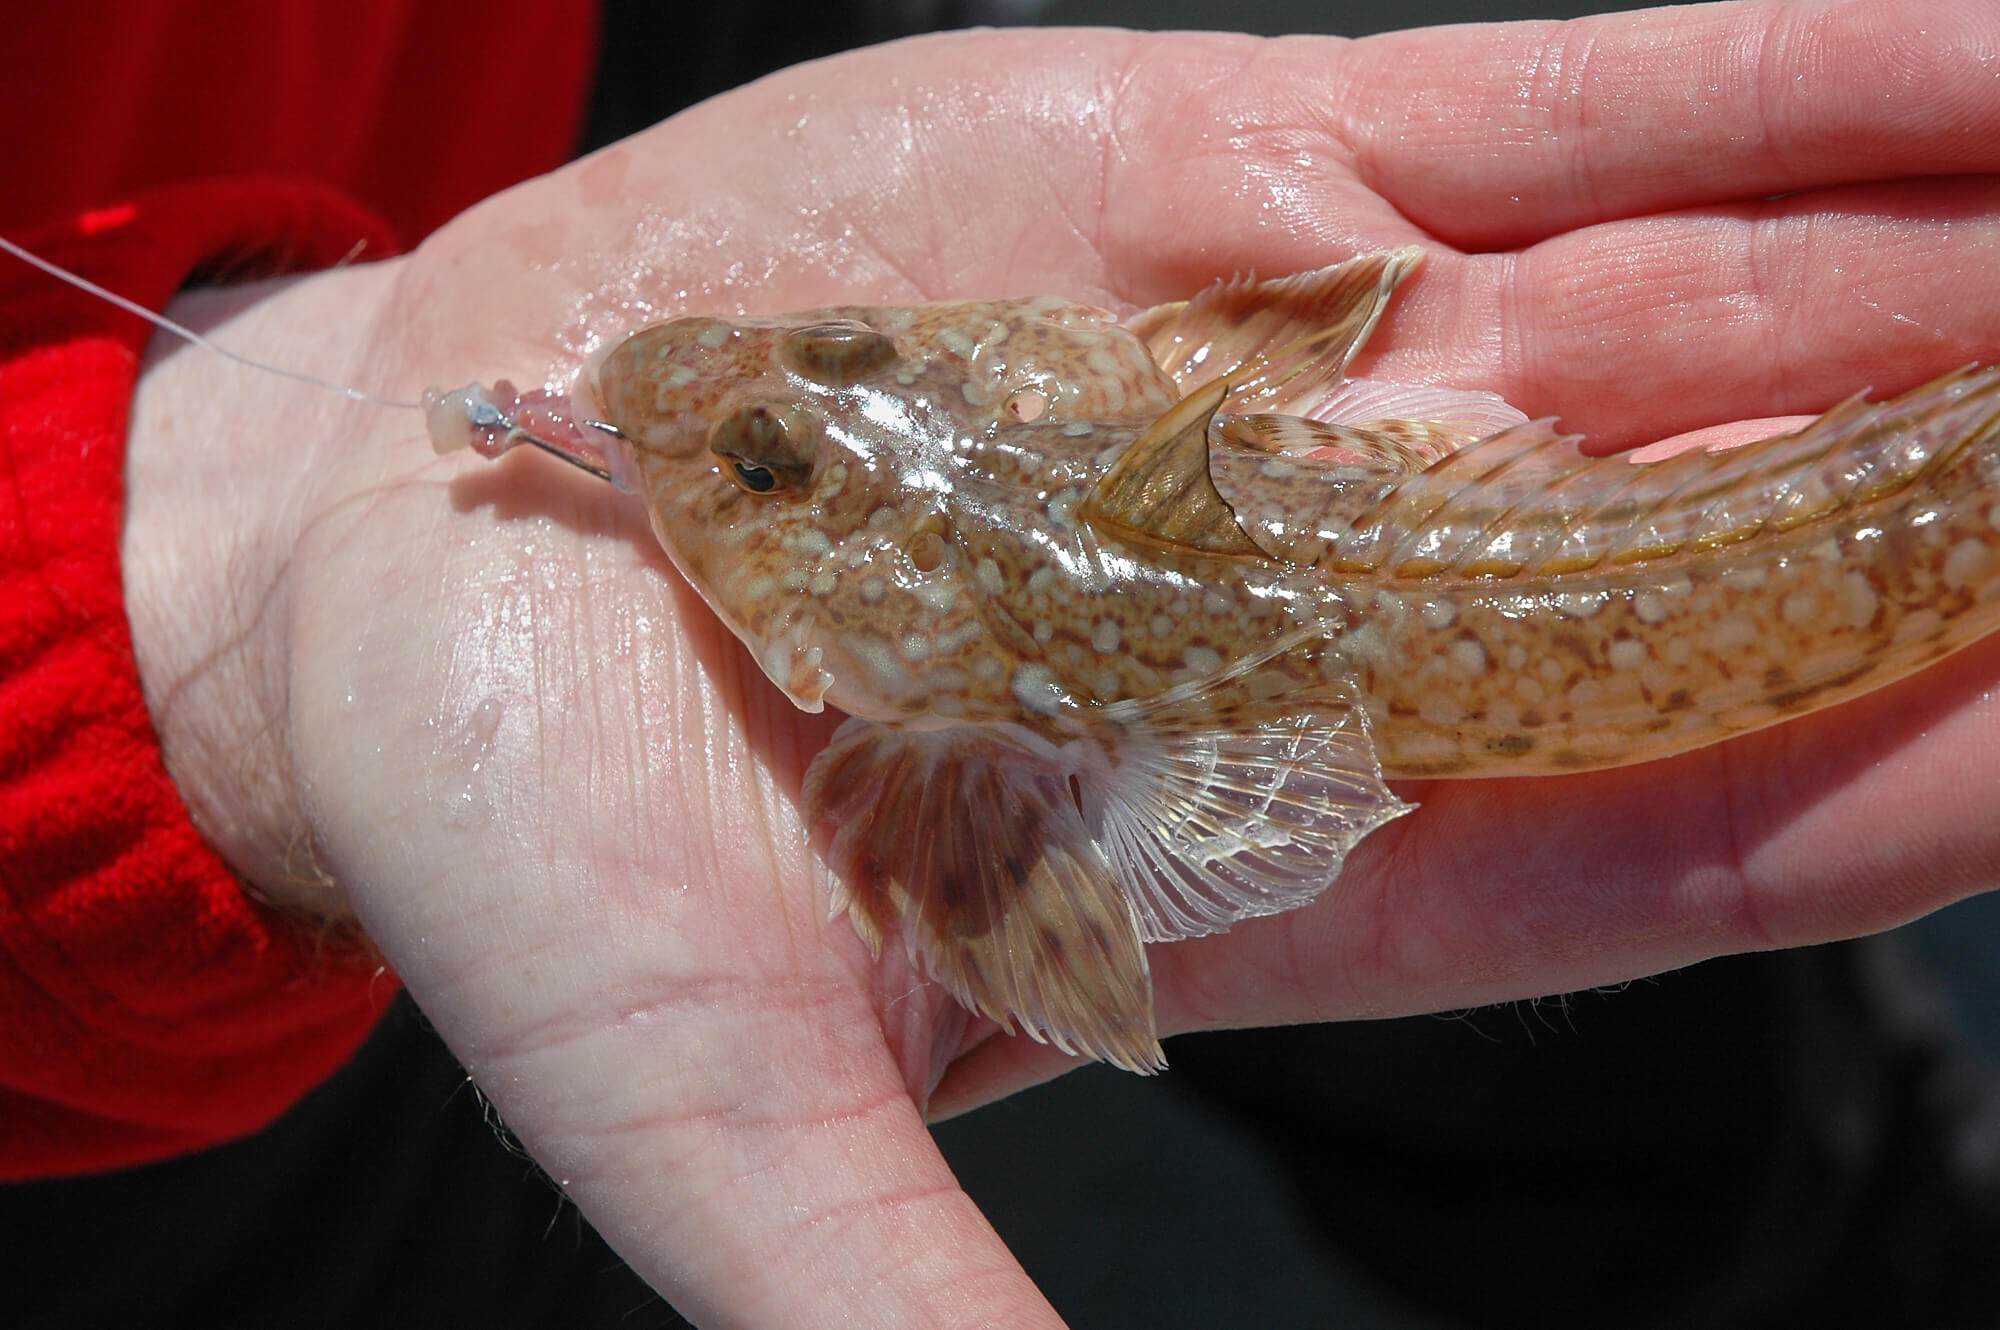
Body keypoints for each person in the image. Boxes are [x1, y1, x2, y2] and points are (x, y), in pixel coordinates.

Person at [5, 1, 1999, 1325]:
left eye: (812, 395)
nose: (708, 398)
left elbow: (1035, 908)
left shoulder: (954, 743)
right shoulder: (1138, 446)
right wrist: (192, 589)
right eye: (784, 459)